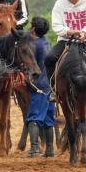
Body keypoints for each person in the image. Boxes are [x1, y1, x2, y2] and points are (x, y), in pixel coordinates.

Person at [25, 17, 56, 158]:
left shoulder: (32, 45)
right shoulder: (47, 43)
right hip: (49, 86)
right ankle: (49, 149)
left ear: (33, 29)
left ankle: (34, 149)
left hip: (38, 85)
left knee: (34, 118)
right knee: (49, 119)